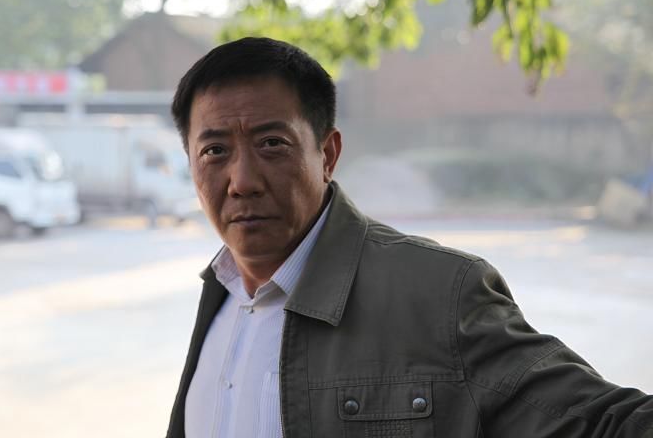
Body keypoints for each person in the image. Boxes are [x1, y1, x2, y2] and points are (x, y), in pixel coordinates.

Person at [165, 37, 653, 438]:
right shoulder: (220, 296)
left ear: (327, 155)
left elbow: (605, 423)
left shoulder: (440, 294)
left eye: (272, 144)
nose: (242, 181)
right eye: (215, 151)